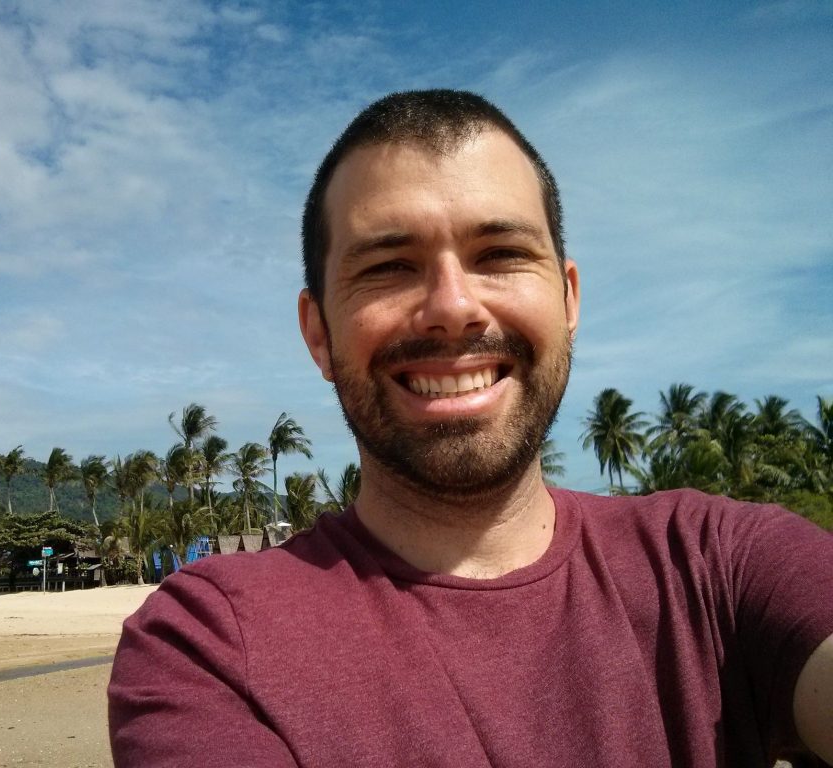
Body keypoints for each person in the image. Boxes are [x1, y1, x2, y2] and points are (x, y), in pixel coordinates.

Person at [108, 90, 833, 767]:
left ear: (568, 297)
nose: (453, 308)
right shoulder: (207, 645)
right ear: (318, 333)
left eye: (501, 255)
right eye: (390, 266)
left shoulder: (720, 566)